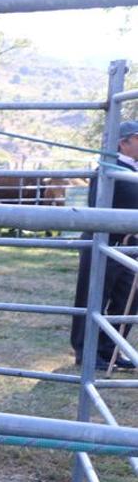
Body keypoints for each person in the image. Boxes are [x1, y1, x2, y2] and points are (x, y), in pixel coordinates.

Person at [71, 119, 138, 371]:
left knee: (128, 301)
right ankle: (85, 351)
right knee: (93, 297)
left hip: (129, 246)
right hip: (104, 243)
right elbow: (97, 207)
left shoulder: (132, 170)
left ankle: (110, 350)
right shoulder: (108, 169)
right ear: (124, 142)